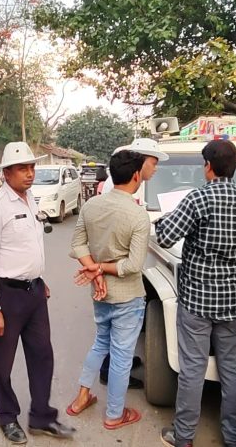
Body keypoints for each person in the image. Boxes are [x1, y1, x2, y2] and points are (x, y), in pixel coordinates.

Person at [154, 139, 236, 447]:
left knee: (192, 370)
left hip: (196, 302)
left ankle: (184, 436)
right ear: (233, 167)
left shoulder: (197, 199)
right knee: (232, 373)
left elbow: (165, 237)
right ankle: (234, 438)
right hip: (232, 303)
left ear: (208, 167)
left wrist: (164, 218)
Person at [0, 141, 75, 444]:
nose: (29, 173)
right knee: (2, 362)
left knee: (42, 355)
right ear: (7, 173)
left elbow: (30, 245)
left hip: (34, 293)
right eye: (22, 169)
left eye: (31, 167)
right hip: (7, 296)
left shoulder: (30, 199)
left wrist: (39, 277)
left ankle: (42, 416)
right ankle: (7, 416)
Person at [67, 150, 149, 430]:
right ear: (136, 175)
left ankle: (81, 396)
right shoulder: (138, 215)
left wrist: (95, 270)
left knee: (101, 343)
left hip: (99, 292)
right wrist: (100, 269)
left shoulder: (91, 205)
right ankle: (114, 414)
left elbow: (78, 244)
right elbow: (134, 265)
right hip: (127, 295)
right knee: (122, 356)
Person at [98, 137, 168, 388]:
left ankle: (117, 365)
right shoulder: (118, 188)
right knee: (117, 327)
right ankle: (112, 372)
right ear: (140, 162)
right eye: (153, 162)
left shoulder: (134, 187)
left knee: (117, 328)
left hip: (123, 265)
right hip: (117, 268)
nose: (155, 168)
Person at [100, 138, 168, 200]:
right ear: (141, 161)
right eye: (154, 164)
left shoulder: (146, 184)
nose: (155, 169)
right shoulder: (116, 183)